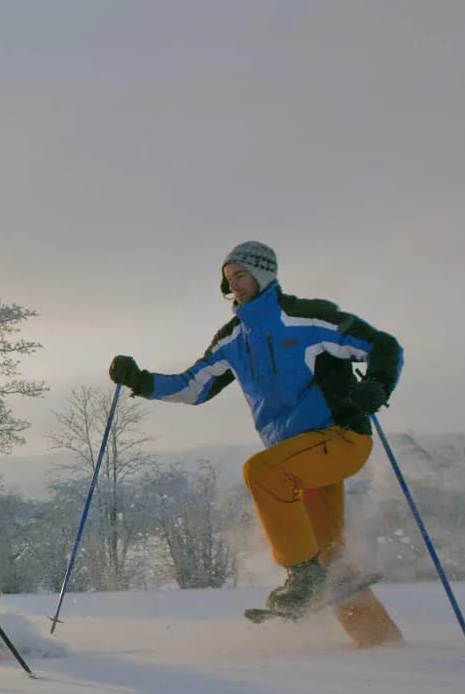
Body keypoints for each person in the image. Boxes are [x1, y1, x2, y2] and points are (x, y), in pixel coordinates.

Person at [109, 240, 404, 645]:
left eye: (241, 276)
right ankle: (384, 646)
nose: (236, 287)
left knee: (262, 472)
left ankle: (302, 577)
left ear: (264, 273)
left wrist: (376, 385)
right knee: (331, 559)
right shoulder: (233, 339)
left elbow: (384, 346)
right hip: (299, 460)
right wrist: (140, 381)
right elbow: (192, 386)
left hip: (340, 437)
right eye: (229, 280)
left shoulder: (306, 319)